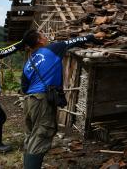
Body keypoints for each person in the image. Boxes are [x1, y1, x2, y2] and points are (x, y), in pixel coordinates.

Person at [21, 30, 102, 169]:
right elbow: (73, 41)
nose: (46, 37)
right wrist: (93, 36)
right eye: (43, 35)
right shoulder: (51, 49)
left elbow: (24, 85)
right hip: (41, 100)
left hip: (29, 100)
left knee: (31, 135)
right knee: (42, 134)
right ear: (39, 41)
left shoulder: (29, 61)